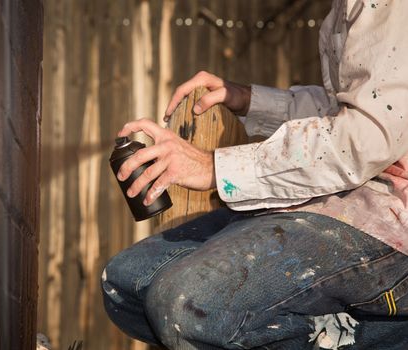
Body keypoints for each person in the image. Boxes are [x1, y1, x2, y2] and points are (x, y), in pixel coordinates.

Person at [102, 1, 408, 349]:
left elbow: (367, 138)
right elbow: (354, 108)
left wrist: (213, 167)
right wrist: (251, 100)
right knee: (126, 284)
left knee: (190, 306)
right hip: (350, 197)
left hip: (395, 221)